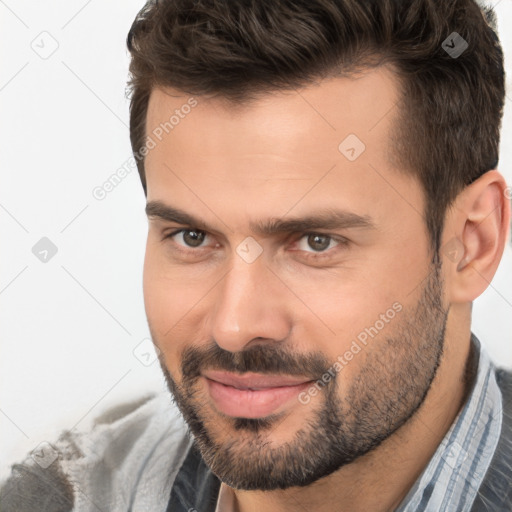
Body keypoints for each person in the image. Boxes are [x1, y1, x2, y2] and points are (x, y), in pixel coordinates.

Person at [1, 0, 511, 510]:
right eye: (192, 237)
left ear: (471, 244)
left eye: (316, 242)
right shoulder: (63, 497)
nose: (234, 327)